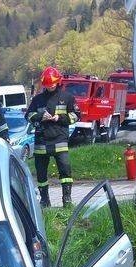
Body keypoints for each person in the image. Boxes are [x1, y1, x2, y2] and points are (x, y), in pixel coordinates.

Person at [25, 66, 79, 208]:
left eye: (53, 83)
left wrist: (59, 118)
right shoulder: (37, 100)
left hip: (60, 140)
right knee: (41, 175)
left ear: (58, 81)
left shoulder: (67, 98)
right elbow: (28, 116)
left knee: (65, 171)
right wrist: (40, 117)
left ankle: (67, 199)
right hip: (41, 142)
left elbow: (76, 116)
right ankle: (44, 200)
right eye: (48, 84)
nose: (51, 86)